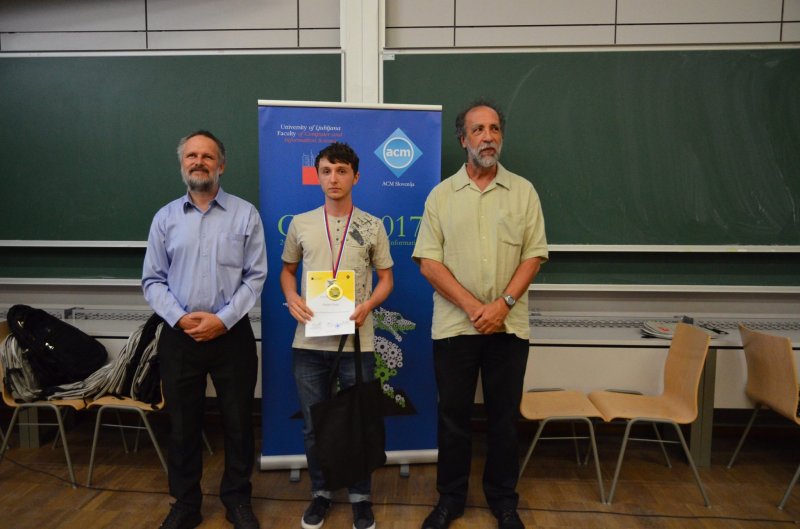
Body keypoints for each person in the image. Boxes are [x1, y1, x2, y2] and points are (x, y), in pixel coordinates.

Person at [412, 100, 548, 529]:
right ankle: (450, 500)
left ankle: (504, 501)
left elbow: (534, 256)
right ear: (463, 140)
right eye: (478, 130)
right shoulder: (440, 196)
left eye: (494, 129)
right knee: (453, 419)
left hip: (509, 327)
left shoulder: (524, 192)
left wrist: (501, 305)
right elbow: (428, 263)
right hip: (456, 327)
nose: (488, 137)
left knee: (504, 420)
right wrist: (475, 309)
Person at [142, 130, 267, 529]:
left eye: (207, 156)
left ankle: (237, 500)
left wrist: (222, 320)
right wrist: (180, 318)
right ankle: (185, 504)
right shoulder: (165, 218)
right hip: (179, 336)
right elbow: (152, 280)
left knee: (238, 423)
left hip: (231, 335)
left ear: (221, 165)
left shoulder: (245, 214)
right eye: (192, 156)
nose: (199, 162)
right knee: (182, 425)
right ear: (183, 164)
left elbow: (256, 276)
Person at [280, 142, 394, 529]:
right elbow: (286, 272)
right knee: (315, 426)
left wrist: (369, 305)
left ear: (355, 176)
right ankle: (322, 493)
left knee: (357, 423)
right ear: (317, 176)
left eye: (342, 171)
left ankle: (361, 498)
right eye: (327, 171)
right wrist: (292, 297)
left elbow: (386, 279)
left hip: (357, 343)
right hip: (308, 344)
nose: (334, 178)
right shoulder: (301, 224)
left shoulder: (372, 225)